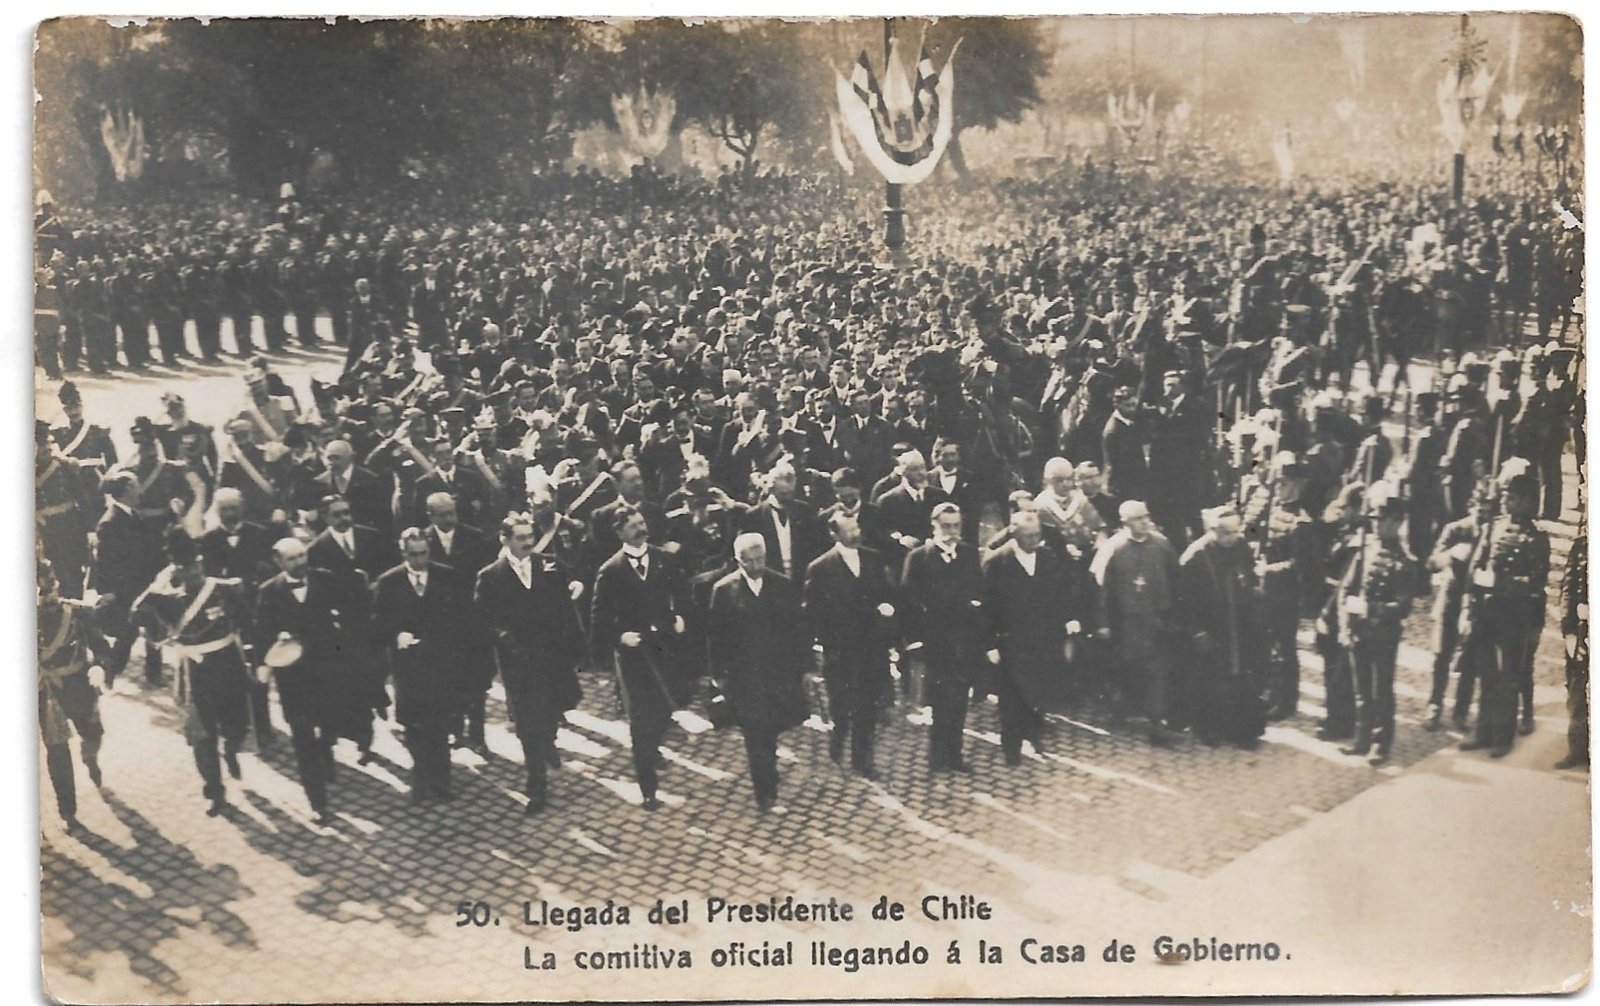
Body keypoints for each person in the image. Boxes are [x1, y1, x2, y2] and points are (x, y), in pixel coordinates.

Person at [132, 529, 256, 816]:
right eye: (184, 568)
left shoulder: (222, 589)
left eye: (194, 565)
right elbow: (136, 612)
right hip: (196, 673)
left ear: (201, 563)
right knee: (202, 735)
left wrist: (253, 657)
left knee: (237, 725)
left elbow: (247, 619)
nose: (192, 572)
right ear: (176, 569)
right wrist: (158, 584)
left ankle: (232, 750)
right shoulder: (168, 600)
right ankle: (215, 792)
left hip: (229, 665)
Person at [474, 512, 586, 815]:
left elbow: (566, 603)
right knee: (526, 723)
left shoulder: (549, 566)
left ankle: (549, 741)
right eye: (520, 538)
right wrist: (506, 639)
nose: (528, 543)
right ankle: (536, 783)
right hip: (518, 661)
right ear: (505, 540)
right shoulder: (490, 577)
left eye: (530, 537)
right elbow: (485, 619)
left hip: (551, 656)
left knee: (551, 710)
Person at [590, 504, 692, 811]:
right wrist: (619, 637)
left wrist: (681, 617)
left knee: (663, 712)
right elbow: (599, 617)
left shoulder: (664, 559)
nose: (640, 528)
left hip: (663, 649)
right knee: (640, 720)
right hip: (634, 656)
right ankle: (648, 786)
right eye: (633, 525)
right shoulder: (611, 570)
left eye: (641, 522)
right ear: (620, 532)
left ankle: (653, 749)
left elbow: (683, 594)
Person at [708, 533, 810, 812]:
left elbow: (798, 630)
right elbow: (716, 638)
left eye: (760, 559)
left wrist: (805, 668)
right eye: (748, 561)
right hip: (745, 679)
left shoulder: (783, 585)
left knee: (772, 729)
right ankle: (765, 793)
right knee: (755, 734)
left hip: (778, 676)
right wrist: (719, 675)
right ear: (737, 560)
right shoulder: (723, 590)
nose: (755, 566)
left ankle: (769, 771)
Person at [253, 537, 350, 825]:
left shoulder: (325, 580)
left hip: (327, 672)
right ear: (278, 561)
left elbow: (346, 613)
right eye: (292, 558)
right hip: (293, 679)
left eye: (303, 556)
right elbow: (261, 633)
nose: (300, 563)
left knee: (329, 725)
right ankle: (317, 801)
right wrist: (266, 659)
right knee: (303, 737)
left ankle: (326, 750)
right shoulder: (269, 592)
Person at [1458, 473, 1550, 759]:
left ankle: (1503, 736)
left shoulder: (1536, 537)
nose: (1509, 502)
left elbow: (1536, 582)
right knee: (1486, 673)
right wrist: (1475, 586)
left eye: (1516, 498)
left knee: (1509, 677)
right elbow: (1476, 564)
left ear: (1528, 502)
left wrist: (1503, 583)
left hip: (1515, 616)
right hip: (1486, 612)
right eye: (1508, 496)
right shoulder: (1493, 528)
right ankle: (1483, 730)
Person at [371, 528, 467, 804]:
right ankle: (420, 780)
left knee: (439, 725)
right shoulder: (389, 582)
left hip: (439, 664)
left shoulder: (445, 575)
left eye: (424, 553)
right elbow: (377, 625)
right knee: (414, 728)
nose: (419, 560)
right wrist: (395, 634)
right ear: (403, 553)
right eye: (413, 555)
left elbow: (459, 617)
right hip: (409, 668)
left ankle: (442, 783)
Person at [983, 510, 1084, 765]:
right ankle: (1011, 747)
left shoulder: (1048, 557)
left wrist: (1069, 618)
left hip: (1044, 639)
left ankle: (1034, 734)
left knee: (1039, 691)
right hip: (1011, 642)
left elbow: (1060, 594)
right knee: (1011, 697)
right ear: (1014, 533)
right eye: (1028, 536)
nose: (1034, 540)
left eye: (1037, 534)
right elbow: (985, 607)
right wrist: (990, 644)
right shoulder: (996, 562)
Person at [1335, 483, 1425, 765]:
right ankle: (1361, 738)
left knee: (1380, 690)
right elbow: (1346, 590)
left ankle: (1380, 743)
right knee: (1361, 689)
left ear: (1397, 522)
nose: (1377, 526)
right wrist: (1345, 626)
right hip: (1359, 631)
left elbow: (1403, 606)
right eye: (1374, 520)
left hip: (1384, 634)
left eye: (1383, 520)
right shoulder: (1365, 551)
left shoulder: (1405, 562)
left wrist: (1371, 608)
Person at [804, 511, 896, 779]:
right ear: (834, 534)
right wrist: (819, 649)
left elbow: (886, 594)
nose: (856, 533)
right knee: (842, 706)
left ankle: (861, 759)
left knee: (867, 706)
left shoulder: (873, 558)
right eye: (849, 530)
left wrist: (886, 611)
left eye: (857, 527)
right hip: (841, 652)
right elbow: (812, 615)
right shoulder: (820, 569)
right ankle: (838, 736)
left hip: (871, 649)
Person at [899, 503, 988, 772]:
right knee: (939, 702)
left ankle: (955, 755)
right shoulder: (919, 558)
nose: (952, 532)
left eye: (956, 526)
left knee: (959, 700)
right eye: (946, 526)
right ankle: (937, 756)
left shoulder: (970, 555)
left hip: (963, 642)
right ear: (934, 527)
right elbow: (907, 601)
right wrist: (914, 641)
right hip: (934, 642)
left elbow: (980, 592)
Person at [1092, 499, 1180, 746]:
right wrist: (1102, 623)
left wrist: (1174, 616)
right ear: (1125, 522)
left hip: (1156, 620)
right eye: (1138, 518)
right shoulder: (1112, 548)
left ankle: (1156, 723)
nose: (1145, 521)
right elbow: (1100, 589)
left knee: (1158, 672)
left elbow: (1176, 581)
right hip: (1124, 622)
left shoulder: (1162, 545)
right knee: (1124, 668)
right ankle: (1121, 708)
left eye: (1146, 516)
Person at [1177, 506, 1266, 749]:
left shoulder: (1241, 547)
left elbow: (1250, 578)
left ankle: (1243, 731)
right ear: (1213, 530)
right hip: (1211, 628)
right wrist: (1196, 631)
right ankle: (1209, 728)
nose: (1232, 537)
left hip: (1240, 625)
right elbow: (1184, 601)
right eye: (1226, 533)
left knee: (1243, 678)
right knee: (1211, 681)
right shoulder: (1195, 556)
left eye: (1236, 532)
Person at [37, 559, 107, 834]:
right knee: (57, 752)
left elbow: (100, 645)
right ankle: (68, 811)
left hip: (78, 683)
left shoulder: (76, 612)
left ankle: (90, 757)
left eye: (51, 587)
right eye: (43, 591)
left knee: (93, 733)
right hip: (46, 692)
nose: (50, 595)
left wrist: (100, 666)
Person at [1556, 530, 1588, 771]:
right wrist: (1568, 631)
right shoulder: (1581, 544)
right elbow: (1567, 589)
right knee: (1576, 688)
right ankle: (1577, 748)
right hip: (1581, 629)